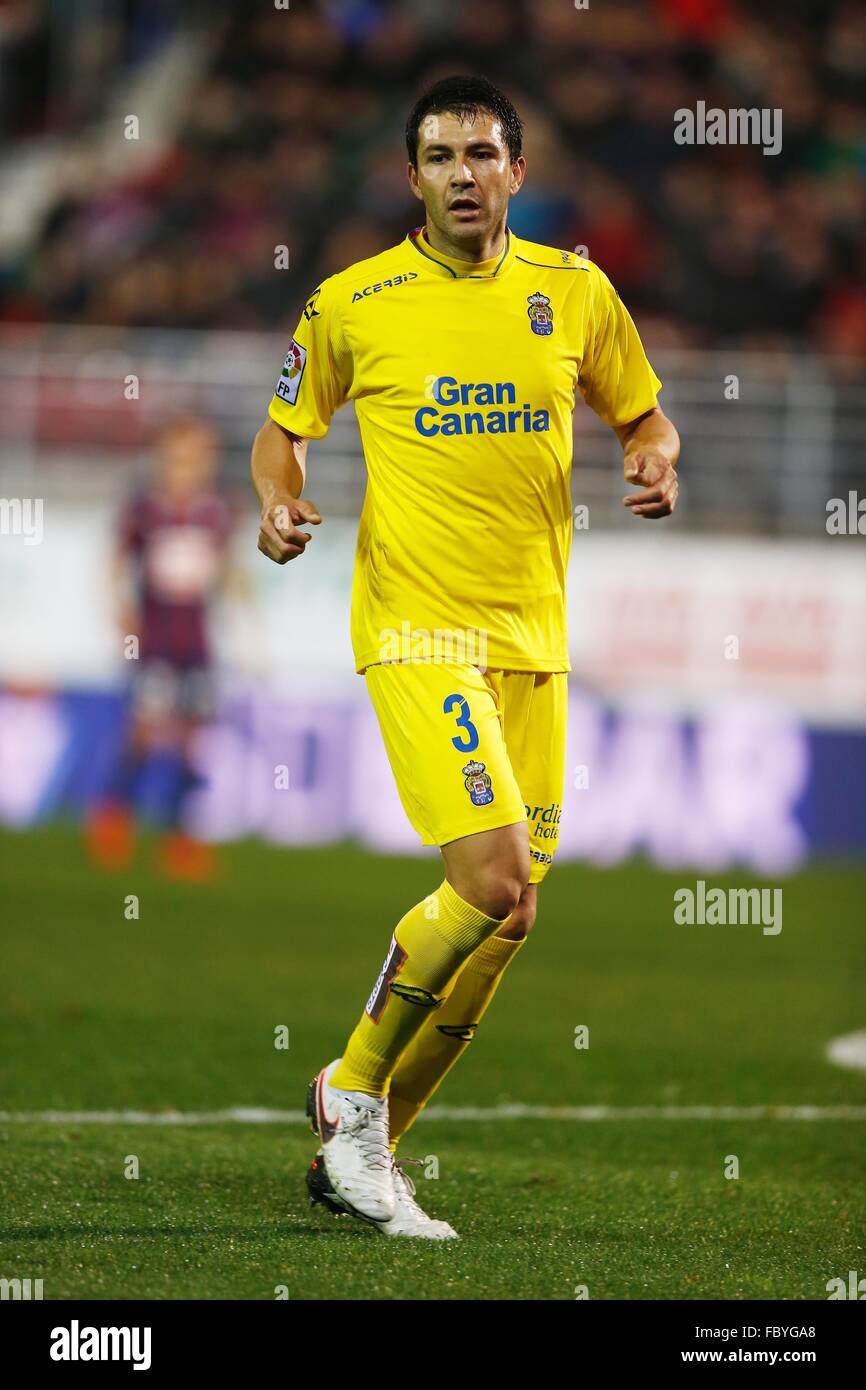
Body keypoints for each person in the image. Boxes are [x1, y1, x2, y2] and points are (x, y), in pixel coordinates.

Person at [251, 76, 679, 1238]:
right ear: (412, 178)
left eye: (482, 153)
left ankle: (369, 1142)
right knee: (489, 876)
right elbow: (281, 434)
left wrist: (653, 455)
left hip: (533, 636)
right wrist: (277, 506)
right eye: (439, 156)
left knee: (514, 911)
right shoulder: (354, 301)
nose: (461, 174)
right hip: (415, 623)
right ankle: (349, 1093)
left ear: (517, 173)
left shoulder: (573, 290)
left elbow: (640, 410)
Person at [87, 415, 234, 881]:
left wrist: (247, 621)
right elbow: (116, 561)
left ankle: (179, 836)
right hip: (153, 641)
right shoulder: (145, 509)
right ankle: (113, 816)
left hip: (196, 643)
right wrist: (119, 612)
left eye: (198, 457)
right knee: (145, 731)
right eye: (181, 457)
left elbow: (226, 569)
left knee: (192, 738)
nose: (190, 467)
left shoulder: (217, 510)